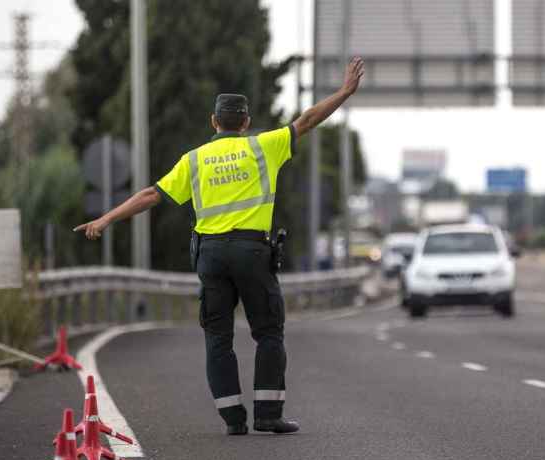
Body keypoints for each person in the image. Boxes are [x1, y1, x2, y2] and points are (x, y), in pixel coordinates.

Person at [74, 57, 366, 435]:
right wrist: (344, 92)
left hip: (211, 256)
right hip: (252, 253)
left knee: (217, 337)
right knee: (268, 332)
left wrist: (106, 219)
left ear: (214, 122)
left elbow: (150, 195)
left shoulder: (194, 160)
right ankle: (267, 414)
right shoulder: (265, 146)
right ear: (245, 122)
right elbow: (307, 120)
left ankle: (233, 419)